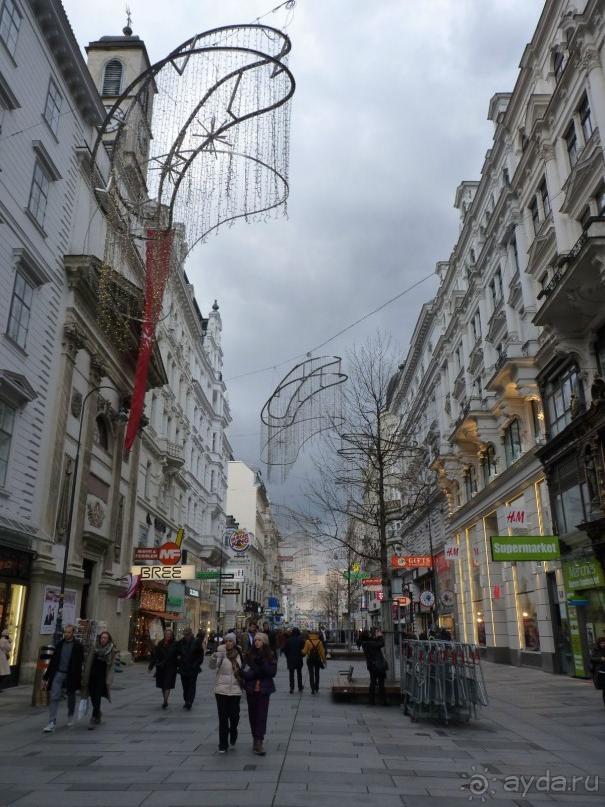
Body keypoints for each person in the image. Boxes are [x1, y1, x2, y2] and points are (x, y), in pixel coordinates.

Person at [42, 624, 84, 732]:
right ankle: (51, 721)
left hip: (71, 674)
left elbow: (80, 663)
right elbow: (53, 661)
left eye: (69, 632)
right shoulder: (59, 644)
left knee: (71, 695)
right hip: (58, 673)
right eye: (65, 632)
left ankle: (70, 715)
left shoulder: (78, 646)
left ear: (73, 633)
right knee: (54, 696)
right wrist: (46, 676)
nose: (67, 634)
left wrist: (79, 678)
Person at [242, 632, 277, 755]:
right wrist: (256, 672)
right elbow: (245, 673)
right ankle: (255, 738)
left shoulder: (270, 655)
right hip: (251, 689)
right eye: (256, 640)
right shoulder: (248, 655)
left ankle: (259, 741)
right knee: (253, 715)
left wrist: (261, 664)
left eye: (260, 640)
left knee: (261, 715)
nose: (257, 642)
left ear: (264, 642)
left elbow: (272, 673)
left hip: (264, 690)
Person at [209, 632, 244, 753]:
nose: (228, 643)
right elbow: (212, 666)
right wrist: (213, 657)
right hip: (221, 690)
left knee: (234, 716)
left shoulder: (239, 653)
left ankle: (233, 730)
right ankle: (223, 744)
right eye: (227, 641)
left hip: (235, 690)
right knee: (223, 718)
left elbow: (244, 668)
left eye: (231, 641)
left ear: (234, 642)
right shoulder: (221, 653)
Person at [81, 630, 117, 729]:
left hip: (102, 676)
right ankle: (98, 713)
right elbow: (88, 661)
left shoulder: (111, 650)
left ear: (108, 639)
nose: (103, 639)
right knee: (92, 696)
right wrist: (85, 674)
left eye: (105, 638)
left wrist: (109, 680)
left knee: (97, 696)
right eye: (102, 637)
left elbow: (112, 666)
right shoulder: (94, 647)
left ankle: (93, 718)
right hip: (92, 675)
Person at [148, 628, 178, 708]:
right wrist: (151, 666)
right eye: (166, 634)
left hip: (171, 667)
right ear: (164, 635)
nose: (168, 636)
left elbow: (179, 655)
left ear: (172, 636)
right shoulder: (160, 644)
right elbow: (156, 656)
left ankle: (165, 700)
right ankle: (165, 699)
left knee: (167, 683)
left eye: (169, 634)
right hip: (161, 667)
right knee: (162, 684)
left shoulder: (175, 644)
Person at [177, 627, 204, 710]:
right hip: (183, 668)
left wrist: (196, 664)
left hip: (193, 668)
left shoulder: (196, 642)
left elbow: (201, 655)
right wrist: (178, 661)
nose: (186, 636)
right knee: (185, 686)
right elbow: (176, 653)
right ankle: (186, 700)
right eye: (185, 635)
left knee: (192, 685)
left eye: (188, 634)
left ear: (191, 634)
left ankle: (190, 701)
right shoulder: (180, 642)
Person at [361, 627, 388, 705]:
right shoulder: (369, 643)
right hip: (377, 665)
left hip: (371, 665)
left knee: (373, 682)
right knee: (381, 683)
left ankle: (371, 700)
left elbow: (375, 642)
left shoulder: (365, 643)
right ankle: (382, 700)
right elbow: (381, 643)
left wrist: (376, 636)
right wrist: (380, 636)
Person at [303, 630, 326, 695]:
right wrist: (324, 661)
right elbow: (322, 653)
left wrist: (302, 651)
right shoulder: (320, 642)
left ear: (310, 634)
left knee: (311, 674)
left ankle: (312, 689)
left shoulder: (307, 641)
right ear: (317, 634)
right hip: (317, 660)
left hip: (310, 659)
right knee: (317, 673)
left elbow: (304, 651)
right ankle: (317, 687)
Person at [283, 627, 305, 693]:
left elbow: (285, 650)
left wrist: (288, 657)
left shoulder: (288, 640)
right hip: (298, 659)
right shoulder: (301, 640)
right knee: (299, 673)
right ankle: (300, 687)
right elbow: (303, 650)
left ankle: (291, 687)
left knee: (291, 674)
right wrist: (302, 656)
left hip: (290, 659)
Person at [590, 636, 605, 707]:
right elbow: (592, 658)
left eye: (604, 643)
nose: (603, 644)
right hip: (600, 671)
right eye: (601, 643)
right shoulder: (595, 649)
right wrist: (600, 659)